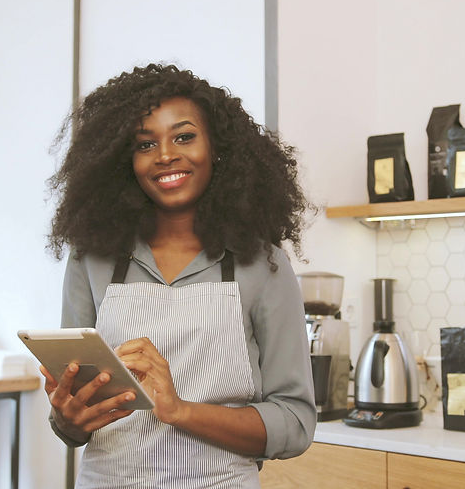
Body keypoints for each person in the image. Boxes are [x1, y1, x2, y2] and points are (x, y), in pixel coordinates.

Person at [42, 63, 317, 488]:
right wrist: (68, 418)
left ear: (218, 148)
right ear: (123, 162)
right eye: (145, 144)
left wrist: (179, 409)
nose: (166, 154)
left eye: (184, 136)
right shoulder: (91, 260)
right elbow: (74, 423)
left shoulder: (262, 265)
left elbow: (295, 422)